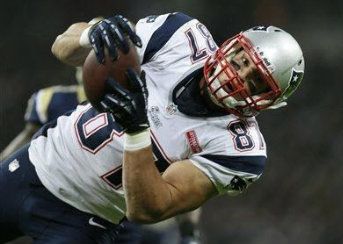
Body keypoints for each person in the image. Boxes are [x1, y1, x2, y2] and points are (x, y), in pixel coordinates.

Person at [0, 12, 304, 243]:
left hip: (84, 221)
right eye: (240, 62)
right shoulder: (180, 36)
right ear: (231, 45)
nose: (235, 77)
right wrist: (92, 34)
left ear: (268, 103)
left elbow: (150, 209)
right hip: (34, 165)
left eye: (254, 81)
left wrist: (137, 131)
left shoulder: (239, 149)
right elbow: (62, 46)